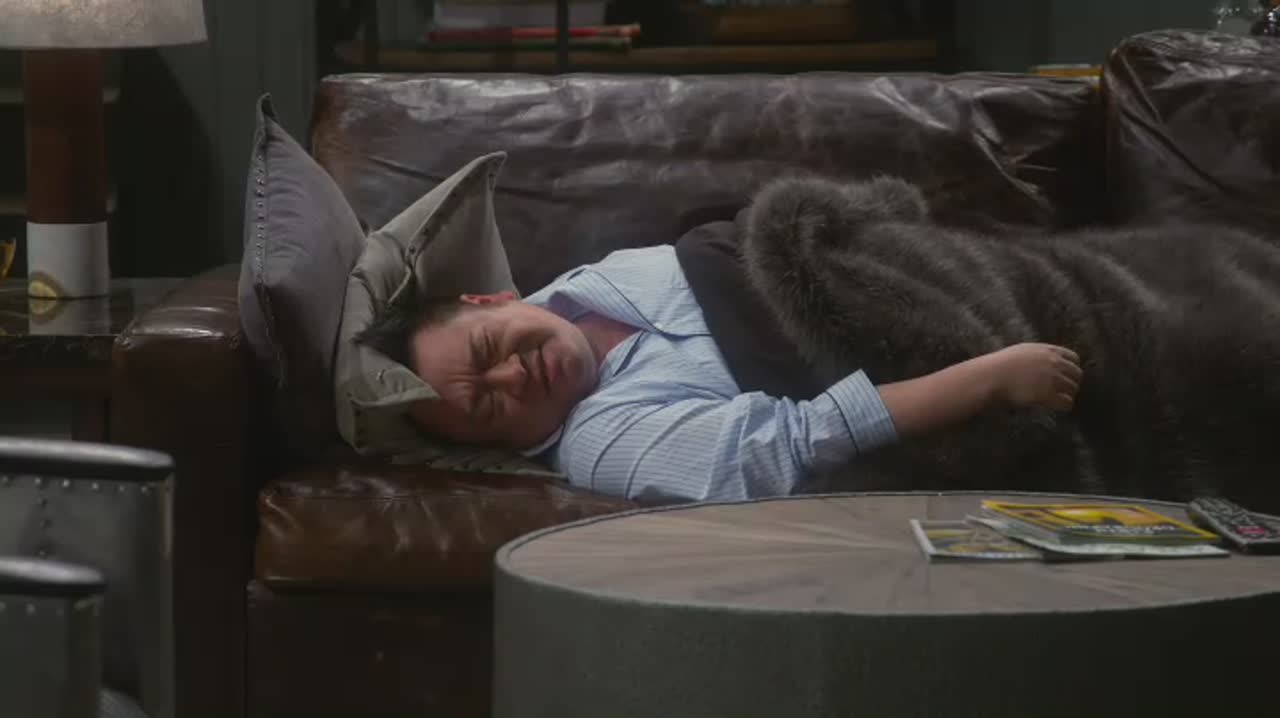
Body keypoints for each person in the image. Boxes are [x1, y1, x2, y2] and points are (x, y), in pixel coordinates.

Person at [356, 245, 1082, 504]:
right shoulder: (602, 441)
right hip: (964, 351)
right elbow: (799, 441)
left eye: (490, 349)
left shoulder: (586, 283)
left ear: (490, 301)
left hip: (934, 264)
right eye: (489, 407)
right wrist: (988, 379)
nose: (514, 376)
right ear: (504, 445)